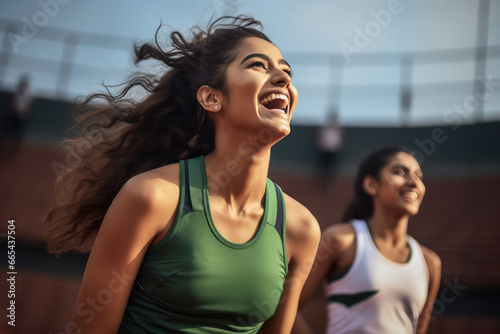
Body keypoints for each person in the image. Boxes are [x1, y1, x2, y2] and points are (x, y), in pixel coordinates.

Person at [43, 16, 320, 333]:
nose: (282, 78)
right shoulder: (151, 197)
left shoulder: (301, 229)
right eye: (259, 65)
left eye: (286, 71)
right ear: (212, 97)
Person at [293, 146, 441, 334]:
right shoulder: (341, 241)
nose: (414, 182)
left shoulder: (430, 263)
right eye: (400, 172)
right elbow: (287, 307)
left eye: (418, 175)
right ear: (372, 185)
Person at [0, 74, 33, 157]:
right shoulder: (15, 92)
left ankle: (13, 151)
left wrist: (20, 113)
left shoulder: (28, 95)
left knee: (16, 134)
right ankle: (3, 146)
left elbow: (26, 107)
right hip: (12, 115)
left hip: (20, 118)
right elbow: (12, 103)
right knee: (5, 132)